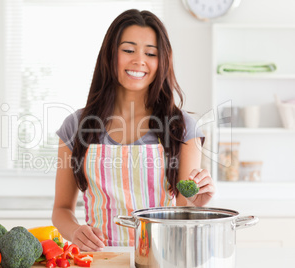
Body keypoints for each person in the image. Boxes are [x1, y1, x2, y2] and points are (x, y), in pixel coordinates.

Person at [52, 9, 215, 251]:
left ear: (162, 61)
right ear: (110, 54)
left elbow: (182, 211)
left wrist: (195, 201)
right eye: (128, 50)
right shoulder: (76, 125)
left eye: (150, 53)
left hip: (162, 258)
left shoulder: (181, 128)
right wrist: (75, 231)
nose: (139, 60)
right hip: (100, 260)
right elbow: (61, 209)